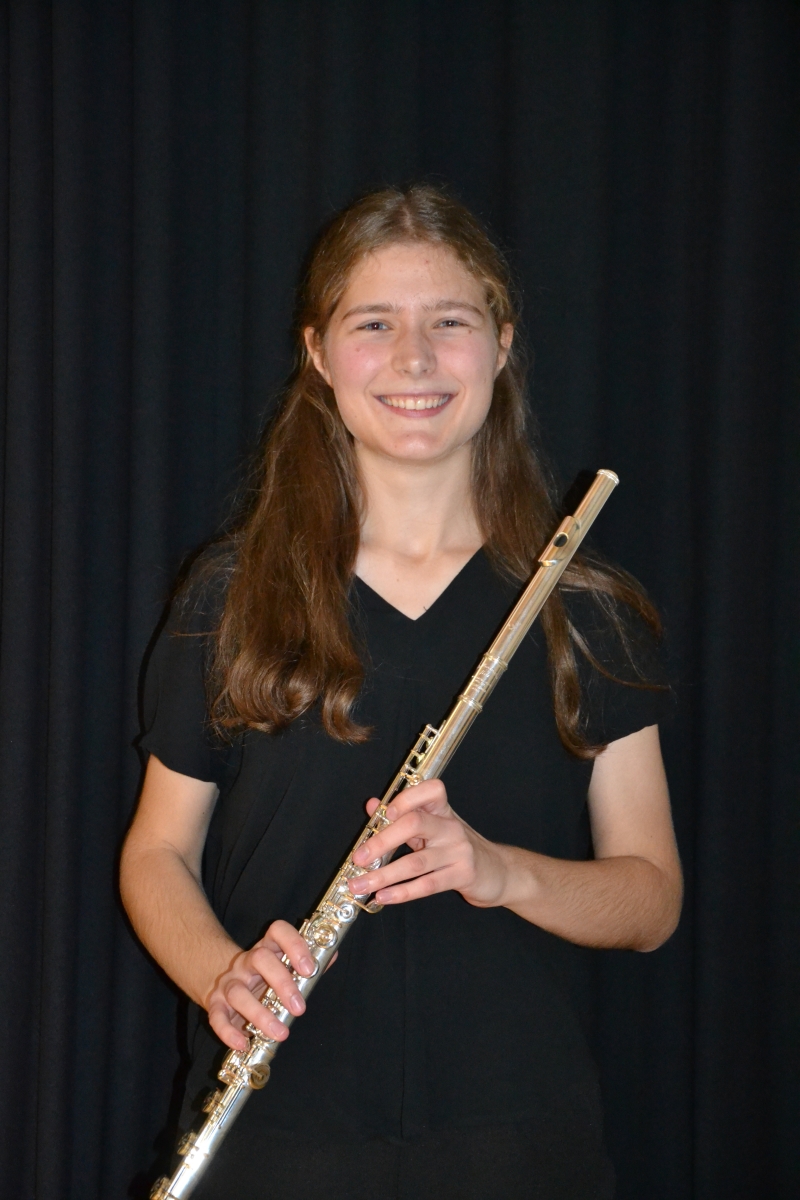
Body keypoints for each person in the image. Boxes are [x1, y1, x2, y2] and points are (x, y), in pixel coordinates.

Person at [120, 185, 682, 1200]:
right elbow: (156, 853)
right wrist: (219, 974)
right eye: (373, 324)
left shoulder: (582, 606)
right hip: (277, 1142)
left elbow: (650, 899)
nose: (414, 358)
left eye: (449, 323)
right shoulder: (232, 593)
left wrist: (499, 871)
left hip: (518, 1147)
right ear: (318, 354)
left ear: (500, 346)